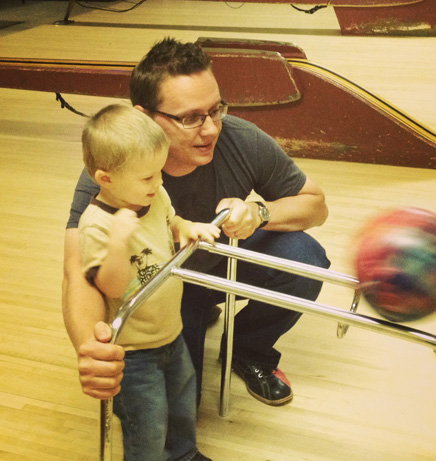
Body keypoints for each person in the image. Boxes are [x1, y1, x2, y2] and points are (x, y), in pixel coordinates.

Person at [63, 37, 330, 409]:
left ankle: (248, 350)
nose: (210, 130)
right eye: (190, 118)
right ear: (144, 117)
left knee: (305, 260)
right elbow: (78, 272)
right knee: (181, 409)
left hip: (220, 261)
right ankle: (198, 312)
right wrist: (91, 349)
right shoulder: (114, 169)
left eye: (215, 109)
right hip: (164, 288)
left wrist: (260, 213)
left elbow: (315, 205)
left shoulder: (241, 139)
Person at [78, 103, 220, 461]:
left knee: (181, 399)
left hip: (169, 332)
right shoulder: (98, 224)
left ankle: (181, 453)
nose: (157, 182)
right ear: (105, 178)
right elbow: (110, 286)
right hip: (133, 352)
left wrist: (188, 227)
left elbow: (171, 220)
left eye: (159, 171)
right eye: (147, 175)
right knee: (147, 424)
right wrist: (120, 240)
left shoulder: (153, 195)